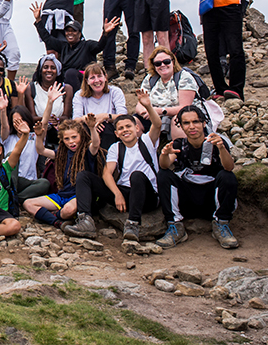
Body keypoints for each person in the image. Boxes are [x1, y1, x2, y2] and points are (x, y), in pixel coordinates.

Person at [64, 105, 163, 242]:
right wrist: (117, 194)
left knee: (137, 175)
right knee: (84, 176)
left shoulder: (147, 141)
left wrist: (147, 105)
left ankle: (133, 224)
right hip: (124, 193)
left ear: (137, 128)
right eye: (121, 128)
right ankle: (85, 221)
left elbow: (157, 125)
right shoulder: (116, 148)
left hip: (147, 195)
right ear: (116, 134)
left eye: (128, 126)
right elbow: (107, 173)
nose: (125, 130)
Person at [156, 106, 239, 250]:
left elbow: (229, 167)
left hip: (211, 199)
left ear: (204, 123)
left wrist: (221, 148)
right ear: (181, 126)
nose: (191, 126)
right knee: (164, 175)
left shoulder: (216, 142)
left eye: (195, 122)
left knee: (227, 176)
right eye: (186, 123)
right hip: (187, 199)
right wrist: (164, 154)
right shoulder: (179, 144)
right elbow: (165, 165)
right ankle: (175, 225)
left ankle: (221, 223)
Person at [24, 115, 102, 229]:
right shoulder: (61, 154)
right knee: (28, 203)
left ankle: (52, 215)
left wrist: (92, 128)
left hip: (77, 197)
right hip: (61, 196)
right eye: (67, 139)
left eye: (74, 137)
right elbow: (41, 150)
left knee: (68, 210)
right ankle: (57, 221)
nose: (71, 142)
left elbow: (95, 144)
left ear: (81, 135)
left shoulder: (87, 152)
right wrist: (39, 136)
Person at [30, 2, 120, 91]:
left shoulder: (87, 45)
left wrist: (105, 33)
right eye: (68, 31)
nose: (70, 33)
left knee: (70, 73)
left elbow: (100, 46)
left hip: (82, 80)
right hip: (65, 78)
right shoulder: (63, 46)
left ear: (79, 34)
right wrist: (38, 20)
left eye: (73, 31)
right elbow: (47, 38)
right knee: (40, 73)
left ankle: (75, 99)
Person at [135, 47, 201, 141]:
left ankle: (180, 148)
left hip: (176, 114)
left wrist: (159, 111)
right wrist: (146, 112)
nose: (162, 65)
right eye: (158, 63)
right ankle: (141, 148)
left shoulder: (184, 77)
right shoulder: (150, 78)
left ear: (173, 62)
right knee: (132, 122)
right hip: (153, 115)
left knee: (178, 121)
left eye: (166, 61)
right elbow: (140, 104)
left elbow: (185, 107)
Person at [72, 64, 129, 149]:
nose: (97, 80)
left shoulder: (115, 92)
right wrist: (91, 121)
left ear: (105, 77)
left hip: (110, 131)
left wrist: (105, 116)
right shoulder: (79, 95)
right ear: (87, 81)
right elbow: (76, 120)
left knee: (105, 129)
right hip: (88, 130)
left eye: (99, 76)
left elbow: (124, 117)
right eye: (92, 78)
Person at [1, 106, 51, 200]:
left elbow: (44, 123)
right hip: (10, 180)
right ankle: (12, 193)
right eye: (16, 121)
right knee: (11, 156)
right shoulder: (8, 138)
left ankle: (16, 199)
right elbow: (4, 126)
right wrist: (2, 109)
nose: (20, 124)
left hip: (28, 182)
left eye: (22, 120)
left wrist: (50, 102)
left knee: (44, 184)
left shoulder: (35, 136)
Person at [27, 54, 74, 145]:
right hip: (38, 132)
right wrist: (46, 119)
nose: (49, 70)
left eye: (53, 68)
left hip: (59, 132)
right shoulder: (31, 88)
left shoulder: (66, 89)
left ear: (58, 71)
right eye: (45, 67)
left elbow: (66, 116)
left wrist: (57, 119)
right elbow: (31, 117)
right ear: (40, 70)